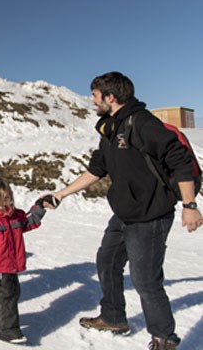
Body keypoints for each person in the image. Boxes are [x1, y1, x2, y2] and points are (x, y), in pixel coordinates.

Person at [45, 72, 202, 350]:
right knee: (107, 262)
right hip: (124, 213)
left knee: (146, 281)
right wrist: (61, 194)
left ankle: (165, 338)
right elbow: (97, 169)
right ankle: (113, 316)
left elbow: (180, 160)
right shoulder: (110, 127)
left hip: (151, 215)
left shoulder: (142, 123)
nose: (91, 100)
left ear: (110, 97)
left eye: (95, 95)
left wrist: (190, 205)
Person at [0, 178, 48, 344]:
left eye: (9, 197)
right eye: (3, 198)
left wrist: (40, 207)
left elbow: (29, 221)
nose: (8, 201)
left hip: (11, 263)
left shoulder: (15, 215)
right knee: (7, 295)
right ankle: (8, 330)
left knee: (11, 293)